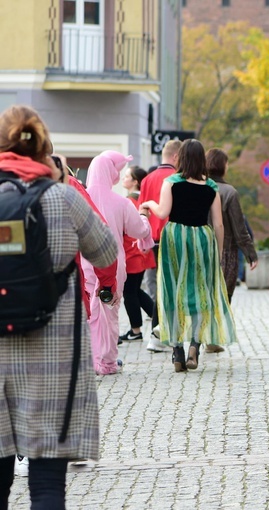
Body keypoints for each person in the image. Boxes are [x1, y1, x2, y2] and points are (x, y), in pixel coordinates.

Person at [0, 104, 118, 508]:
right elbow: (105, 252)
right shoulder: (64, 198)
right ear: (44, 150)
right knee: (48, 487)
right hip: (52, 363)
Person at [142, 139, 236, 372]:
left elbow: (163, 211)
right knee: (200, 293)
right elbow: (219, 225)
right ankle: (195, 345)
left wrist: (148, 203)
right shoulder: (211, 187)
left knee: (173, 292)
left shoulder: (171, 182)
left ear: (180, 158)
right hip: (202, 240)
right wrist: (218, 252)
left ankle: (177, 352)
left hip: (175, 238)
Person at [81, 151, 153, 375]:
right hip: (112, 264)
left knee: (88, 312)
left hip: (84, 263)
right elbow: (139, 230)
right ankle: (108, 361)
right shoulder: (121, 202)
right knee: (110, 312)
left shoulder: (80, 197)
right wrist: (143, 216)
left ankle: (89, 359)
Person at [205, 148, 258, 350]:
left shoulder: (200, 187)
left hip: (201, 250)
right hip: (225, 252)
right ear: (223, 166)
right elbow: (239, 228)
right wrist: (251, 254)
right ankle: (212, 338)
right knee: (223, 296)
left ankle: (199, 339)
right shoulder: (229, 192)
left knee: (204, 295)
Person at [138, 140, 181, 353]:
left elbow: (142, 212)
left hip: (152, 240)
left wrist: (142, 239)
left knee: (157, 287)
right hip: (172, 238)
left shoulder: (146, 179)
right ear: (176, 157)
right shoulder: (176, 179)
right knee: (169, 288)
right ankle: (159, 333)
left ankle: (159, 332)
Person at [119, 165, 156, 342]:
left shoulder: (130, 202)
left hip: (132, 253)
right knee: (135, 291)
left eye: (127, 176)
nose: (124, 179)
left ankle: (136, 330)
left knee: (130, 292)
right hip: (139, 252)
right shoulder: (139, 201)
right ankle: (158, 321)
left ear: (135, 182)